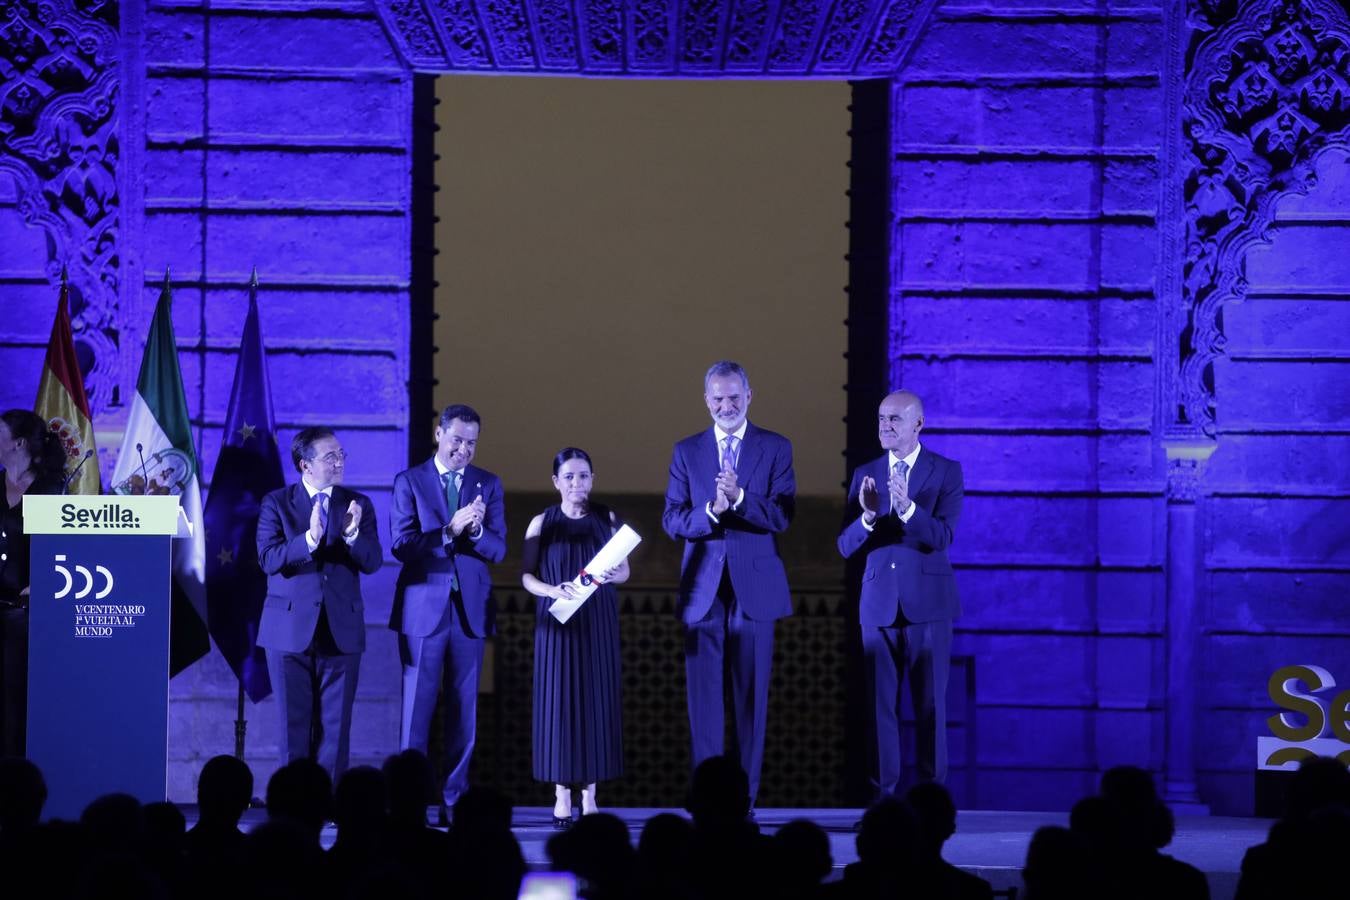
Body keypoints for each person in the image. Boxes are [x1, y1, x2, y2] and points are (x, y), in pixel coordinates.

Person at [663, 361, 795, 808]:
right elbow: (672, 519)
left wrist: (739, 499)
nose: (726, 405)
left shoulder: (775, 447)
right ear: (706, 400)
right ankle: (707, 802)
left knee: (750, 701)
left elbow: (782, 514)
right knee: (703, 706)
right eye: (718, 398)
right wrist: (713, 513)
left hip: (754, 588)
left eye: (734, 397)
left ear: (749, 396)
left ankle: (745, 802)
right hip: (703, 588)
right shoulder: (686, 451)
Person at [838, 390, 963, 798]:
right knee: (880, 710)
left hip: (928, 604)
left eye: (894, 419)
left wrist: (908, 508)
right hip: (878, 605)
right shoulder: (865, 472)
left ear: (918, 424)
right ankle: (882, 801)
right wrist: (870, 516)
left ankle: (930, 801)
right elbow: (845, 545)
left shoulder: (945, 471)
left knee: (929, 706)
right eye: (881, 419)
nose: (885, 426)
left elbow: (942, 536)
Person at [389, 404, 506, 820]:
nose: (464, 449)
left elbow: (499, 548)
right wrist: (448, 531)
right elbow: (402, 545)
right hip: (424, 609)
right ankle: (409, 803)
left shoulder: (487, 484)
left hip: (469, 613)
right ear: (439, 435)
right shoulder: (410, 481)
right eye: (457, 439)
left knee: (464, 711)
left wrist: (476, 531)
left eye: (471, 443)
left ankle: (454, 800)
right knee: (415, 714)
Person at [256, 427, 382, 779]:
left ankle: (328, 805)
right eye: (330, 457)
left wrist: (353, 534)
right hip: (288, 631)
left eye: (341, 455)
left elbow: (372, 562)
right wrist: (309, 539)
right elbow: (268, 559)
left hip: (340, 629)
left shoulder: (357, 505)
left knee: (335, 726)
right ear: (304, 465)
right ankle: (293, 803)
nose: (339, 462)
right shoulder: (276, 503)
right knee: (292, 726)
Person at [521, 448, 628, 827]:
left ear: (592, 478)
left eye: (583, 476)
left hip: (597, 621)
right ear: (556, 482)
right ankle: (561, 793)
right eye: (568, 477)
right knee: (559, 704)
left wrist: (615, 573)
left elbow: (625, 571)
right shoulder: (541, 522)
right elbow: (526, 577)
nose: (576, 483)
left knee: (596, 703)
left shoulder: (606, 517)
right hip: (556, 622)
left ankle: (591, 794)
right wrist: (552, 590)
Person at [0, 410, 67, 757]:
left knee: (14, 704)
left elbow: (66, 551)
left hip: (24, 616)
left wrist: (43, 583)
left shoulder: (52, 489)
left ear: (18, 443)